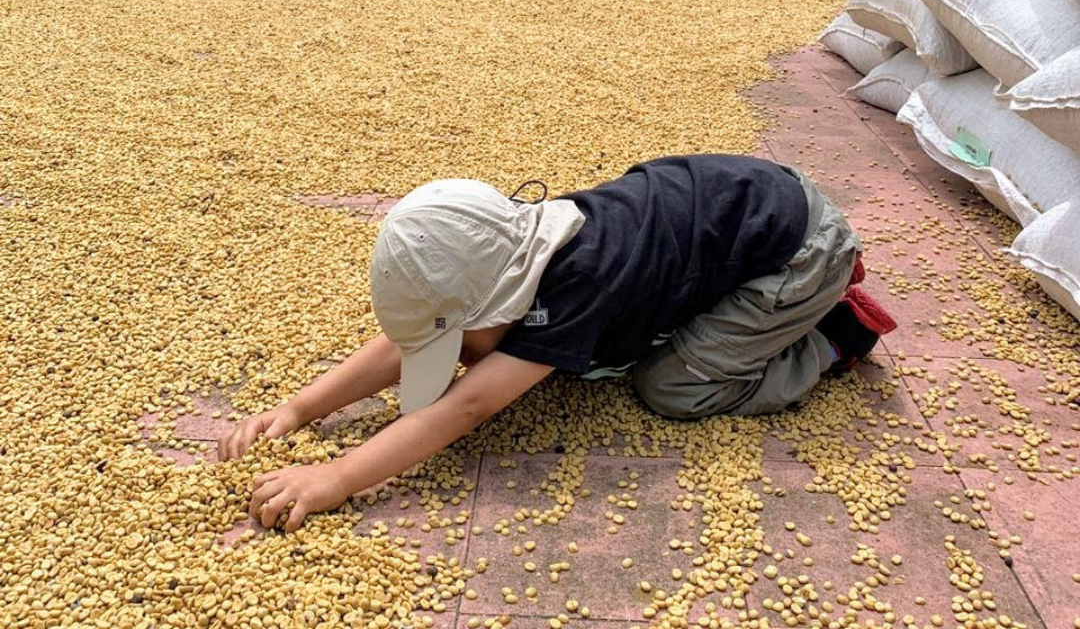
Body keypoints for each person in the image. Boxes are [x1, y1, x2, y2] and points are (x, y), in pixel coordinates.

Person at [220, 155, 896, 533]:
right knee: (618, 349)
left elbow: (465, 408)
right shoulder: (512, 249)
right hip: (751, 211)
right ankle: (755, 314)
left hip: (796, 251)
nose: (458, 352)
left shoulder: (575, 287)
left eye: (461, 337)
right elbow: (414, 338)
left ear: (503, 302)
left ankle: (833, 333)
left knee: (672, 386)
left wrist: (336, 478)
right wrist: (301, 409)